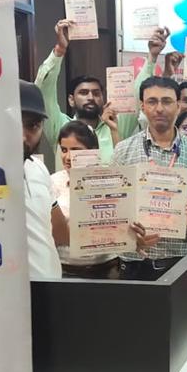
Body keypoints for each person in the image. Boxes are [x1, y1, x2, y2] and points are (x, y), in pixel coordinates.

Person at [110, 75, 187, 281]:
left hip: (181, 261)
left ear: (178, 105)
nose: (159, 108)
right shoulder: (123, 151)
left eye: (166, 101)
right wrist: (129, 236)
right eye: (152, 101)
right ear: (142, 106)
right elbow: (113, 207)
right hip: (135, 262)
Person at [35, 18, 125, 170]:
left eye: (96, 93)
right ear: (71, 100)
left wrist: (152, 59)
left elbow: (140, 98)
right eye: (83, 93)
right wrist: (60, 50)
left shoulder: (115, 125)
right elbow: (43, 90)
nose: (91, 97)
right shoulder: (61, 126)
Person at [50, 121, 121, 279]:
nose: (68, 157)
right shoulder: (52, 182)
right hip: (63, 271)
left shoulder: (111, 181)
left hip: (106, 270)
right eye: (64, 150)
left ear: (92, 152)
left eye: (76, 150)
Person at [19, 81, 64, 280]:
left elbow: (60, 231)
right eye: (13, 122)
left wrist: (123, 236)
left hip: (51, 286)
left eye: (32, 125)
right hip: (10, 294)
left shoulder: (38, 168)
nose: (22, 136)